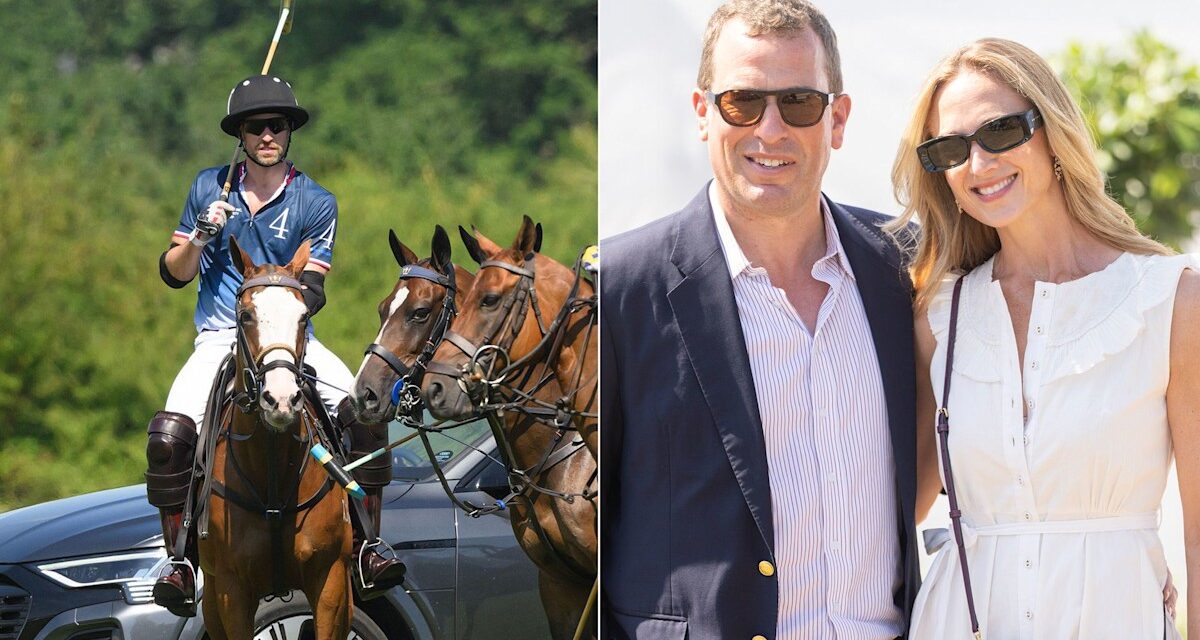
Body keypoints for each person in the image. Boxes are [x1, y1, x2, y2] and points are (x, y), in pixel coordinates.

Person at [600, 1, 921, 637]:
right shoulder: (621, 286)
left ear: (838, 119)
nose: (770, 130)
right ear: (702, 113)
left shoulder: (902, 268)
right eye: (742, 102)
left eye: (799, 102)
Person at [892, 37, 1197, 639]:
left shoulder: (1171, 301)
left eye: (1001, 131)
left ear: (1052, 131)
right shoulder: (938, 315)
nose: (978, 165)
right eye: (950, 149)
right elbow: (897, 501)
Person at [143, 74, 405, 617]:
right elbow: (172, 274)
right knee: (169, 436)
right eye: (256, 126)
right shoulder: (207, 189)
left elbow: (312, 289)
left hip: (289, 334)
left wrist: (274, 303)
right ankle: (179, 558)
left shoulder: (316, 201)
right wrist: (199, 235)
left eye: (278, 125)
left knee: (362, 412)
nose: (268, 135)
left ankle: (370, 543)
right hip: (221, 336)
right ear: (240, 134)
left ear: (289, 133)